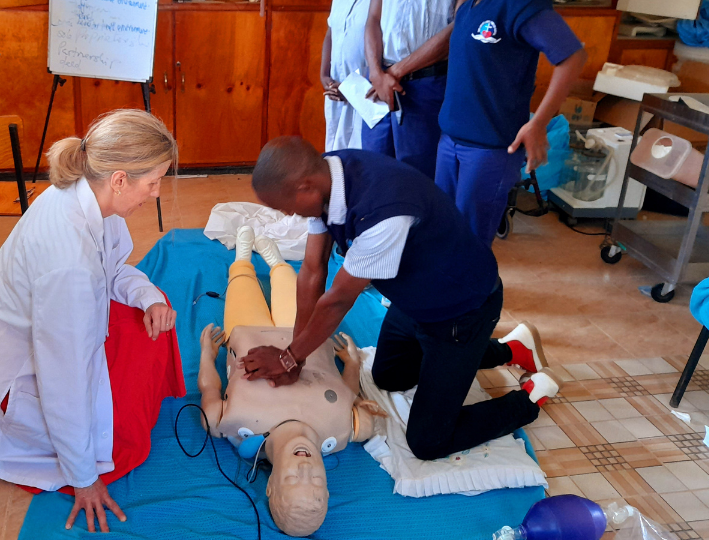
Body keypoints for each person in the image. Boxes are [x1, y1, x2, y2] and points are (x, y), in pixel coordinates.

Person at [0, 110, 186, 533]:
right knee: (108, 435)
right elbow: (64, 379)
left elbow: (113, 270)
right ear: (120, 179)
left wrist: (146, 296)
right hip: (13, 376)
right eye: (153, 182)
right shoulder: (69, 263)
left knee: (152, 311)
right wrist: (84, 479)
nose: (156, 193)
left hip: (35, 339)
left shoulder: (87, 197)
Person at [239, 136, 561, 462]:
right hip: (416, 299)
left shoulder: (382, 214)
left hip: (461, 309)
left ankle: (531, 397)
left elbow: (336, 301)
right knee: (389, 377)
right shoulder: (328, 175)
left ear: (306, 187)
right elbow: (311, 270)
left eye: (287, 208)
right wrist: (295, 357)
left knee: (427, 441)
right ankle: (511, 349)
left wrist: (289, 358)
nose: (290, 215)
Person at [198, 226, 385, 537]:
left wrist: (207, 355)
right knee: (290, 281)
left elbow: (209, 388)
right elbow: (347, 394)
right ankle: (275, 260)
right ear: (328, 490)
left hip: (250, 333)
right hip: (304, 336)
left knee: (241, 282)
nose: (305, 470)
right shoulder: (350, 428)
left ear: (270, 486)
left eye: (292, 481)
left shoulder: (226, 422)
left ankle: (243, 255)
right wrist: (351, 363)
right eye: (316, 481)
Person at [436, 0, 586, 246]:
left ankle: (478, 284)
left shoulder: (520, 4)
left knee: (470, 240)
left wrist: (538, 123)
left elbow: (572, 56)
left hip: (489, 147)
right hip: (450, 139)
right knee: (444, 227)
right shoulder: (467, 6)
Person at [361, 0, 454, 178]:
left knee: (418, 173)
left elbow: (457, 28)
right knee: (373, 167)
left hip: (425, 83)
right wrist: (375, 72)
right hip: (378, 82)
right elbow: (373, 18)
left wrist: (396, 72)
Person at [322, 0, 370, 151]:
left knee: (360, 153)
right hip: (335, 88)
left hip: (365, 91)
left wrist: (352, 89)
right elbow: (331, 33)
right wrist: (324, 75)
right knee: (335, 153)